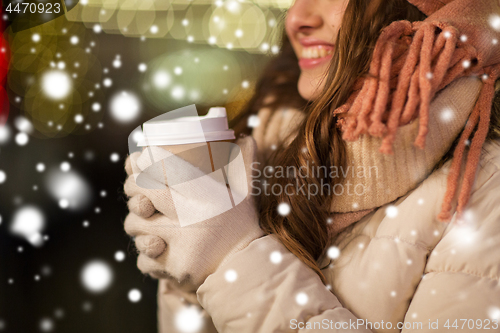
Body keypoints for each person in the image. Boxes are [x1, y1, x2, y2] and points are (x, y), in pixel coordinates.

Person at [123, 0, 500, 331]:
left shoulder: (487, 186)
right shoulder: (275, 139)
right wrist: (188, 264)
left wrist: (234, 261)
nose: (296, 18)